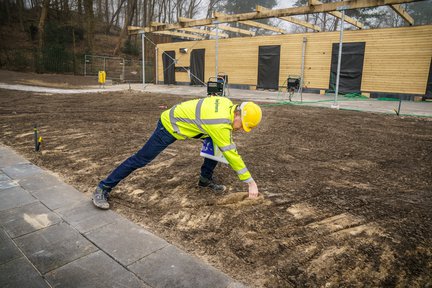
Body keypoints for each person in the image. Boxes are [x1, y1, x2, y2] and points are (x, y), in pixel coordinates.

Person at [92, 96, 262, 210]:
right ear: (238, 115)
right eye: (243, 126)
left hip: (192, 123)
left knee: (217, 145)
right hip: (169, 126)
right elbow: (232, 155)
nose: (241, 130)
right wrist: (250, 182)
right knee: (141, 159)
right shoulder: (219, 123)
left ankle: (204, 180)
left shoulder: (226, 103)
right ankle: (103, 187)